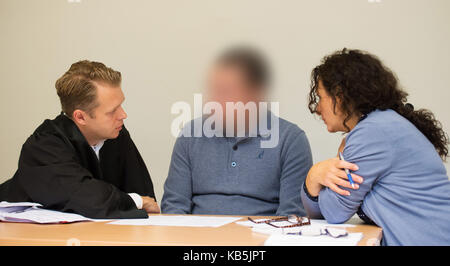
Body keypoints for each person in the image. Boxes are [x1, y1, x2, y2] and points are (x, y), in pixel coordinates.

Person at [301, 48, 450, 245]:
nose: (317, 108)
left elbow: (334, 212)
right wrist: (314, 179)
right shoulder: (381, 125)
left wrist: (315, 175)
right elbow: (320, 213)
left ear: (340, 95)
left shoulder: (372, 133)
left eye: (320, 97)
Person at [162, 47, 313, 216]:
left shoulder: (290, 140)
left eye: (225, 92)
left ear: (256, 94)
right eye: (213, 91)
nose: (213, 101)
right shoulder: (191, 135)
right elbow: (174, 206)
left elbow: (292, 215)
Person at [0, 60, 160, 219]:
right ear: (80, 117)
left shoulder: (116, 135)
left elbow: (147, 199)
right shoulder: (44, 145)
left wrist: (140, 202)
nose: (123, 115)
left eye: (121, 105)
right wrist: (137, 201)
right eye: (112, 111)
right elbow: (86, 198)